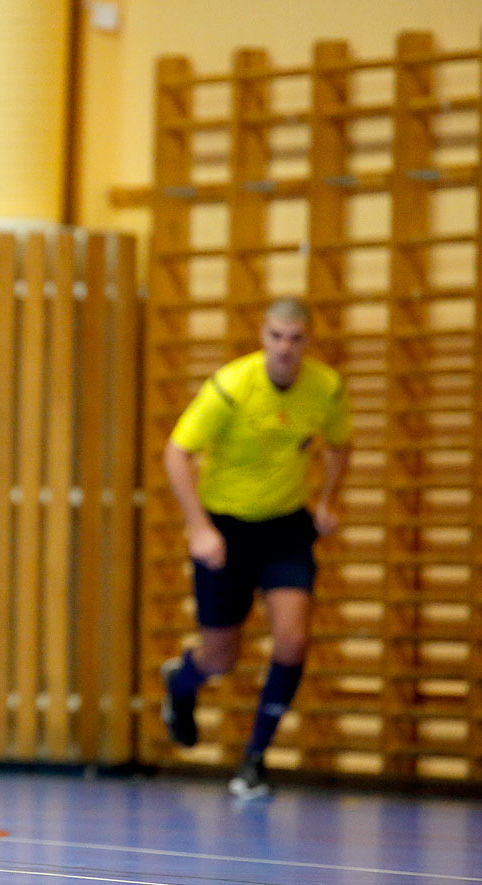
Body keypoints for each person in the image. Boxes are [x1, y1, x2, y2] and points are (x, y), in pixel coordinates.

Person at [160, 298, 351, 799]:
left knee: (292, 639)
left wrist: (328, 499)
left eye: (296, 338)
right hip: (226, 527)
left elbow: (340, 442)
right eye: (276, 336)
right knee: (221, 658)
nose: (285, 348)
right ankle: (181, 683)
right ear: (263, 336)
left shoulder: (325, 389)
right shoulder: (231, 387)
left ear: (309, 341)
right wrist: (199, 528)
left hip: (286, 526)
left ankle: (254, 760)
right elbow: (176, 452)